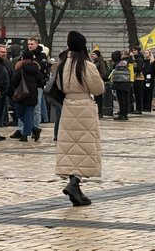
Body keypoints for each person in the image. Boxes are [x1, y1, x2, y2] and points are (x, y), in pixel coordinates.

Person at [56, 31, 105, 207]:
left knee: (71, 148)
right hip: (84, 106)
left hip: (68, 106)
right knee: (85, 148)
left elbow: (59, 86)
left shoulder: (62, 65)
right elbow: (98, 89)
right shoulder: (86, 66)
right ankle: (74, 183)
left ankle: (75, 187)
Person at [10, 51, 44, 142]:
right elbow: (41, 82)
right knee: (28, 115)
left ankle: (33, 130)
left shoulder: (20, 68)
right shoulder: (36, 69)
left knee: (20, 114)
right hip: (32, 95)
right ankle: (28, 134)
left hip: (21, 95)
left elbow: (13, 81)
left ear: (23, 58)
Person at [108, 51, 131, 121]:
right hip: (127, 82)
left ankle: (121, 115)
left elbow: (114, 74)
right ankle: (125, 114)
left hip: (119, 83)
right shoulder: (125, 62)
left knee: (121, 100)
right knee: (126, 99)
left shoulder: (117, 64)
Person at [130, 46, 145, 114]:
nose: (133, 52)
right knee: (136, 94)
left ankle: (139, 109)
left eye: (135, 50)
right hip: (135, 77)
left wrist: (133, 67)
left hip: (139, 77)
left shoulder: (139, 58)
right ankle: (138, 108)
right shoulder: (136, 58)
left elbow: (139, 68)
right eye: (133, 50)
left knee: (138, 94)